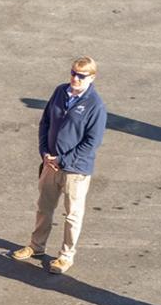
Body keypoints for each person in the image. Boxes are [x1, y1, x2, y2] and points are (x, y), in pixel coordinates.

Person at [10, 57, 107, 275]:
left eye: (81, 76)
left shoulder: (96, 106)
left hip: (76, 169)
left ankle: (65, 256)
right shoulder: (60, 92)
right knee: (44, 207)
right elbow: (45, 122)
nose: (75, 78)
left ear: (91, 78)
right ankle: (36, 246)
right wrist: (44, 152)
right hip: (50, 164)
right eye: (73, 73)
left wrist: (63, 160)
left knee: (72, 215)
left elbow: (92, 142)